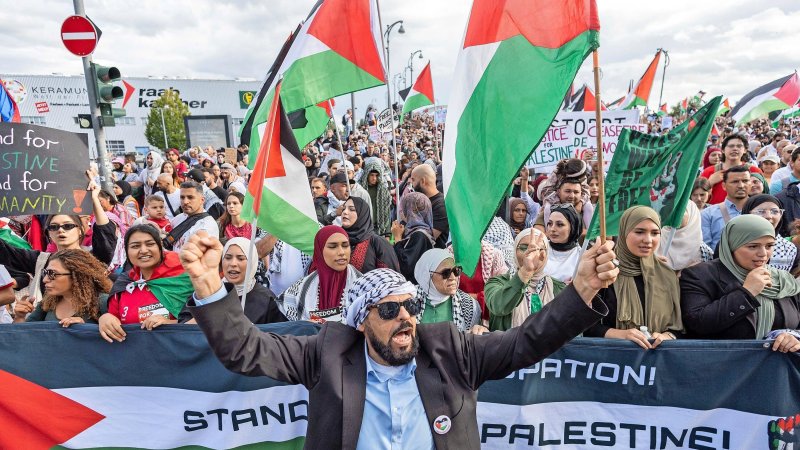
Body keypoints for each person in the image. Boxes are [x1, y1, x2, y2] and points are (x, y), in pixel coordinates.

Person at [181, 230, 617, 449]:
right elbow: (247, 351)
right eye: (389, 311)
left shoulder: (451, 351)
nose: (405, 317)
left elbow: (528, 341)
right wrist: (209, 288)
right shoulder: (327, 354)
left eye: (410, 306)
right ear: (361, 322)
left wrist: (581, 291)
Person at [680, 215, 800, 352]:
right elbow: (697, 324)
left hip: (776, 364)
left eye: (769, 246)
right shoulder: (700, 275)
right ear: (732, 245)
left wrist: (793, 337)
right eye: (753, 246)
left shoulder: (783, 280)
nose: (763, 254)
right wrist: (747, 292)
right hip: (723, 362)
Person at [584, 206, 683, 349]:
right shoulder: (605, 271)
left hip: (657, 359)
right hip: (612, 358)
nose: (648, 240)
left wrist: (667, 336)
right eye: (639, 232)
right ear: (624, 232)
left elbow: (679, 328)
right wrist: (621, 335)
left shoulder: (667, 275)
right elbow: (586, 327)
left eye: (655, 233)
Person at [98, 225, 195, 342]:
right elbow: (114, 320)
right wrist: (105, 318)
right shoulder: (124, 283)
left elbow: (207, 320)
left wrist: (171, 324)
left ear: (160, 246)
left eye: (150, 244)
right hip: (136, 350)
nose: (143, 250)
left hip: (178, 347)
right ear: (127, 251)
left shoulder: (188, 277)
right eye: (135, 246)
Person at [178, 237, 285, 325]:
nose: (233, 263)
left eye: (241, 258)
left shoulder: (266, 299)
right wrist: (206, 318)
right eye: (228, 257)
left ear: (252, 262)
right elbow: (182, 328)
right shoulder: (207, 292)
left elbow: (277, 335)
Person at [485, 228, 565, 331]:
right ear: (514, 250)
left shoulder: (558, 288)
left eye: (539, 249)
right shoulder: (497, 283)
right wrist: (525, 272)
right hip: (509, 342)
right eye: (524, 248)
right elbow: (499, 307)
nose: (531, 254)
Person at [278, 226, 361, 323]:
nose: (341, 252)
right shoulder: (299, 290)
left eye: (345, 245)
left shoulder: (364, 287)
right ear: (320, 250)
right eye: (333, 246)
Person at [13, 249, 110, 326]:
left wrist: (85, 329)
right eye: (45, 273)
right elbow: (23, 337)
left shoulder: (103, 302)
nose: (45, 279)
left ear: (77, 276)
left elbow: (116, 339)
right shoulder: (48, 303)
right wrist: (20, 317)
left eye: (52, 273)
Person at [413, 249, 482, 333]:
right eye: (446, 273)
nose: (453, 277)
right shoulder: (409, 300)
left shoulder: (469, 306)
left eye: (456, 271)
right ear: (427, 275)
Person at [341, 197, 400, 273]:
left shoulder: (377, 242)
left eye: (352, 209)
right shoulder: (337, 239)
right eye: (343, 209)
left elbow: (391, 276)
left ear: (362, 214)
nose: (345, 212)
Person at [700, 134, 762, 205]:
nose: (735, 149)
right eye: (731, 146)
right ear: (723, 150)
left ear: (745, 150)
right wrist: (709, 183)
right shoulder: (709, 171)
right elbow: (696, 196)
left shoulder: (754, 171)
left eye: (739, 146)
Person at [742, 194, 798, 272]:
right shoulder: (735, 243)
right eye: (761, 211)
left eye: (774, 211)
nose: (768, 216)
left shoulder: (789, 248)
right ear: (747, 214)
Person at [701, 165, 751, 250]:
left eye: (745, 181)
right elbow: (705, 248)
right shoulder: (708, 214)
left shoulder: (761, 211)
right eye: (735, 182)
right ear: (724, 186)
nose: (741, 185)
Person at [392, 192, 435, 284]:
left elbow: (406, 266)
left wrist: (397, 238)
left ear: (411, 211)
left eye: (404, 208)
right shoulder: (418, 232)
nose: (401, 212)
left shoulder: (419, 235)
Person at [166, 181, 219, 253]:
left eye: (190, 197)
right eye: (182, 197)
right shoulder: (179, 218)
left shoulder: (207, 226)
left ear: (202, 200)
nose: (185, 202)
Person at [657, 201, 710, 271]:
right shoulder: (655, 239)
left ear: (692, 214)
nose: (674, 212)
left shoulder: (704, 251)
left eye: (681, 210)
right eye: (671, 209)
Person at [410, 164, 449, 248]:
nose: (411, 183)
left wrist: (399, 236)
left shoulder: (441, 205)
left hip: (433, 254)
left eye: (413, 180)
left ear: (423, 181)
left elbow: (424, 240)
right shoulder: (420, 200)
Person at [542, 203, 583, 283]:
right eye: (550, 223)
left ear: (573, 227)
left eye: (560, 224)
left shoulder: (581, 256)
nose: (552, 229)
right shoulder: (539, 248)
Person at [359, 160, 392, 237]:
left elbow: (387, 212)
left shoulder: (383, 191)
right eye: (372, 175)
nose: (374, 178)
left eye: (377, 175)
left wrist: (387, 234)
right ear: (367, 174)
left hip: (379, 228)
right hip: (363, 227)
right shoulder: (360, 190)